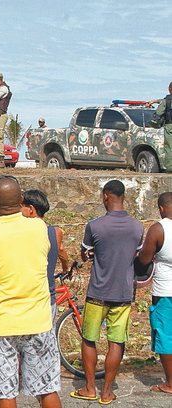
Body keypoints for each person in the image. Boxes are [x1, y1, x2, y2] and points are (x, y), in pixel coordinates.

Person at [0, 176, 61, 408]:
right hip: (38, 320)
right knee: (47, 389)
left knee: (6, 394)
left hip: (0, 324)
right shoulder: (39, 228)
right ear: (21, 200)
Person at [71, 180, 143, 404]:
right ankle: (107, 392)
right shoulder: (137, 226)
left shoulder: (95, 225)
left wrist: (91, 256)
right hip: (123, 293)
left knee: (89, 339)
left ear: (105, 196)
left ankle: (90, 388)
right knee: (116, 342)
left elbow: (86, 254)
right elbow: (136, 257)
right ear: (123, 197)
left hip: (97, 293)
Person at [138, 192, 172, 395]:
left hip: (165, 290)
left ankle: (169, 383)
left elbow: (144, 259)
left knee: (166, 336)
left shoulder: (158, 229)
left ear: (161, 208)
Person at [21, 189, 69, 323]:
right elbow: (62, 251)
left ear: (30, 209)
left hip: (26, 298)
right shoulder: (55, 232)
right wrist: (66, 268)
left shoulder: (23, 233)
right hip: (48, 298)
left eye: (21, 207)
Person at [146, 82, 172, 172]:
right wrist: (155, 101)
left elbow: (159, 113)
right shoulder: (166, 100)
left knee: (169, 147)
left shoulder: (166, 101)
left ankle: (170, 168)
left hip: (170, 126)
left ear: (169, 89)